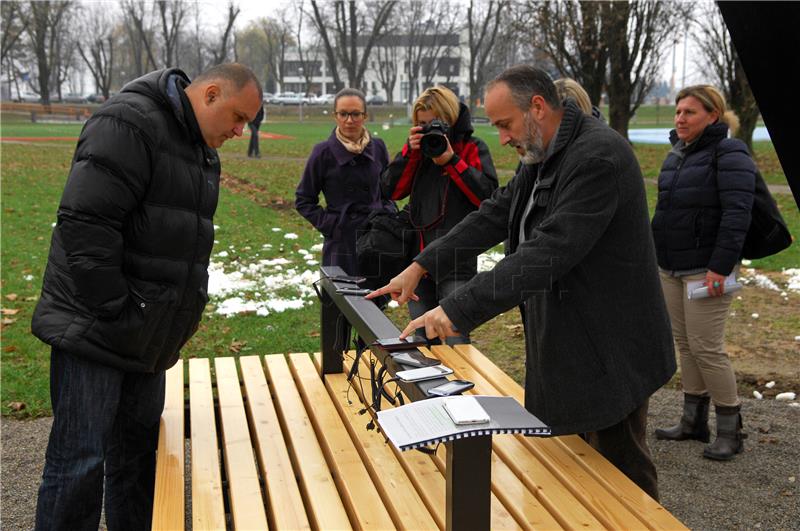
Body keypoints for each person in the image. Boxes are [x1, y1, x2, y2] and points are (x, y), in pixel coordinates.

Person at [368, 65, 675, 500]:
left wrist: (456, 308)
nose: (503, 138)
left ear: (537, 107)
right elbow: (493, 214)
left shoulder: (597, 158)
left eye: (505, 124)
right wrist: (421, 265)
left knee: (620, 474)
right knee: (575, 469)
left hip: (611, 345)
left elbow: (547, 253)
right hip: (570, 338)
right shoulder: (544, 153)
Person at [30, 63, 262, 530]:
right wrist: (117, 308)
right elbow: (85, 223)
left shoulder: (200, 148)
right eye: (238, 117)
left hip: (148, 335)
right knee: (79, 465)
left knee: (136, 464)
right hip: (97, 330)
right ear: (211, 94)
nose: (240, 131)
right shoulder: (129, 122)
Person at [651, 85, 755, 461]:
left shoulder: (729, 152)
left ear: (713, 116)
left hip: (707, 270)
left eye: (689, 112)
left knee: (707, 347)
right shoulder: (677, 154)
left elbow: (737, 213)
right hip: (672, 266)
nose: (680, 118)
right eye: (678, 111)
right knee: (687, 345)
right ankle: (693, 421)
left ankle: (732, 429)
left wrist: (720, 267)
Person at [381, 86, 497, 345]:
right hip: (418, 262)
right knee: (423, 340)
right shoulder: (418, 153)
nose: (430, 129)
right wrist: (410, 153)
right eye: (422, 124)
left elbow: (488, 198)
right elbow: (392, 190)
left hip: (457, 261)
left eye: (436, 123)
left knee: (455, 339)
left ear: (451, 118)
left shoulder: (472, 148)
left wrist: (451, 161)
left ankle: (460, 384)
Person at [295, 88, 391, 275]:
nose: (349, 120)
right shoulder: (322, 152)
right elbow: (303, 200)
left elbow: (388, 191)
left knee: (373, 301)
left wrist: (386, 215)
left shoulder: (378, 147)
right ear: (335, 116)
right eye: (343, 114)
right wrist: (333, 225)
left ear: (365, 116)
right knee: (340, 299)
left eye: (355, 114)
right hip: (341, 242)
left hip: (375, 239)